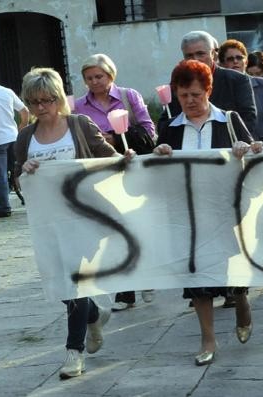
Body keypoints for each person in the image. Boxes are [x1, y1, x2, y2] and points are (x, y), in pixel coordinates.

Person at [14, 67, 124, 378]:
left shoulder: (78, 125)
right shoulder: (26, 136)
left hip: (84, 217)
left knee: (73, 283)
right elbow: (18, 180)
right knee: (62, 283)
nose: (41, 107)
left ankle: (73, 353)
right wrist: (25, 169)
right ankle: (95, 315)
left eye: (47, 100)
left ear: (59, 98)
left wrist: (125, 156)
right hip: (48, 221)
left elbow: (108, 158)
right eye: (34, 102)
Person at [152, 60, 257, 366]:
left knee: (231, 271)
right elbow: (157, 169)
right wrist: (160, 154)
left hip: (226, 211)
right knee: (197, 278)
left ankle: (241, 301)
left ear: (208, 90)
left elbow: (256, 156)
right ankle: (208, 337)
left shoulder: (229, 120)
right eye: (183, 95)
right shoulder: (169, 127)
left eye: (196, 94)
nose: (190, 101)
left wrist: (243, 150)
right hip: (187, 215)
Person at [73, 53, 156, 309]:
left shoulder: (129, 96)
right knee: (113, 231)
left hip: (131, 169)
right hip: (100, 173)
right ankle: (125, 291)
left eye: (99, 76)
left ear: (111, 75)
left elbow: (149, 131)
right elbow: (75, 137)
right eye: (89, 78)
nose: (94, 82)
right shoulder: (78, 106)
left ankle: (147, 276)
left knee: (137, 226)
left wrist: (116, 138)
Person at [166, 31, 257, 133]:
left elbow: (248, 119)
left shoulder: (237, 80)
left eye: (200, 54)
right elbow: (167, 119)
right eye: (189, 56)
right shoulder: (178, 83)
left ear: (213, 54)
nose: (196, 59)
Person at [219, 40, 263, 145]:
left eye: (239, 57)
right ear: (222, 64)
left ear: (246, 61)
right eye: (230, 59)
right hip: (235, 148)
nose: (235, 61)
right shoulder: (220, 88)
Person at [0, 71, 28, 218]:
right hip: (13, 138)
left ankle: (4, 208)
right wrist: (22, 128)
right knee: (19, 171)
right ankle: (31, 200)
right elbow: (24, 111)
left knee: (0, 176)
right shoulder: (7, 91)